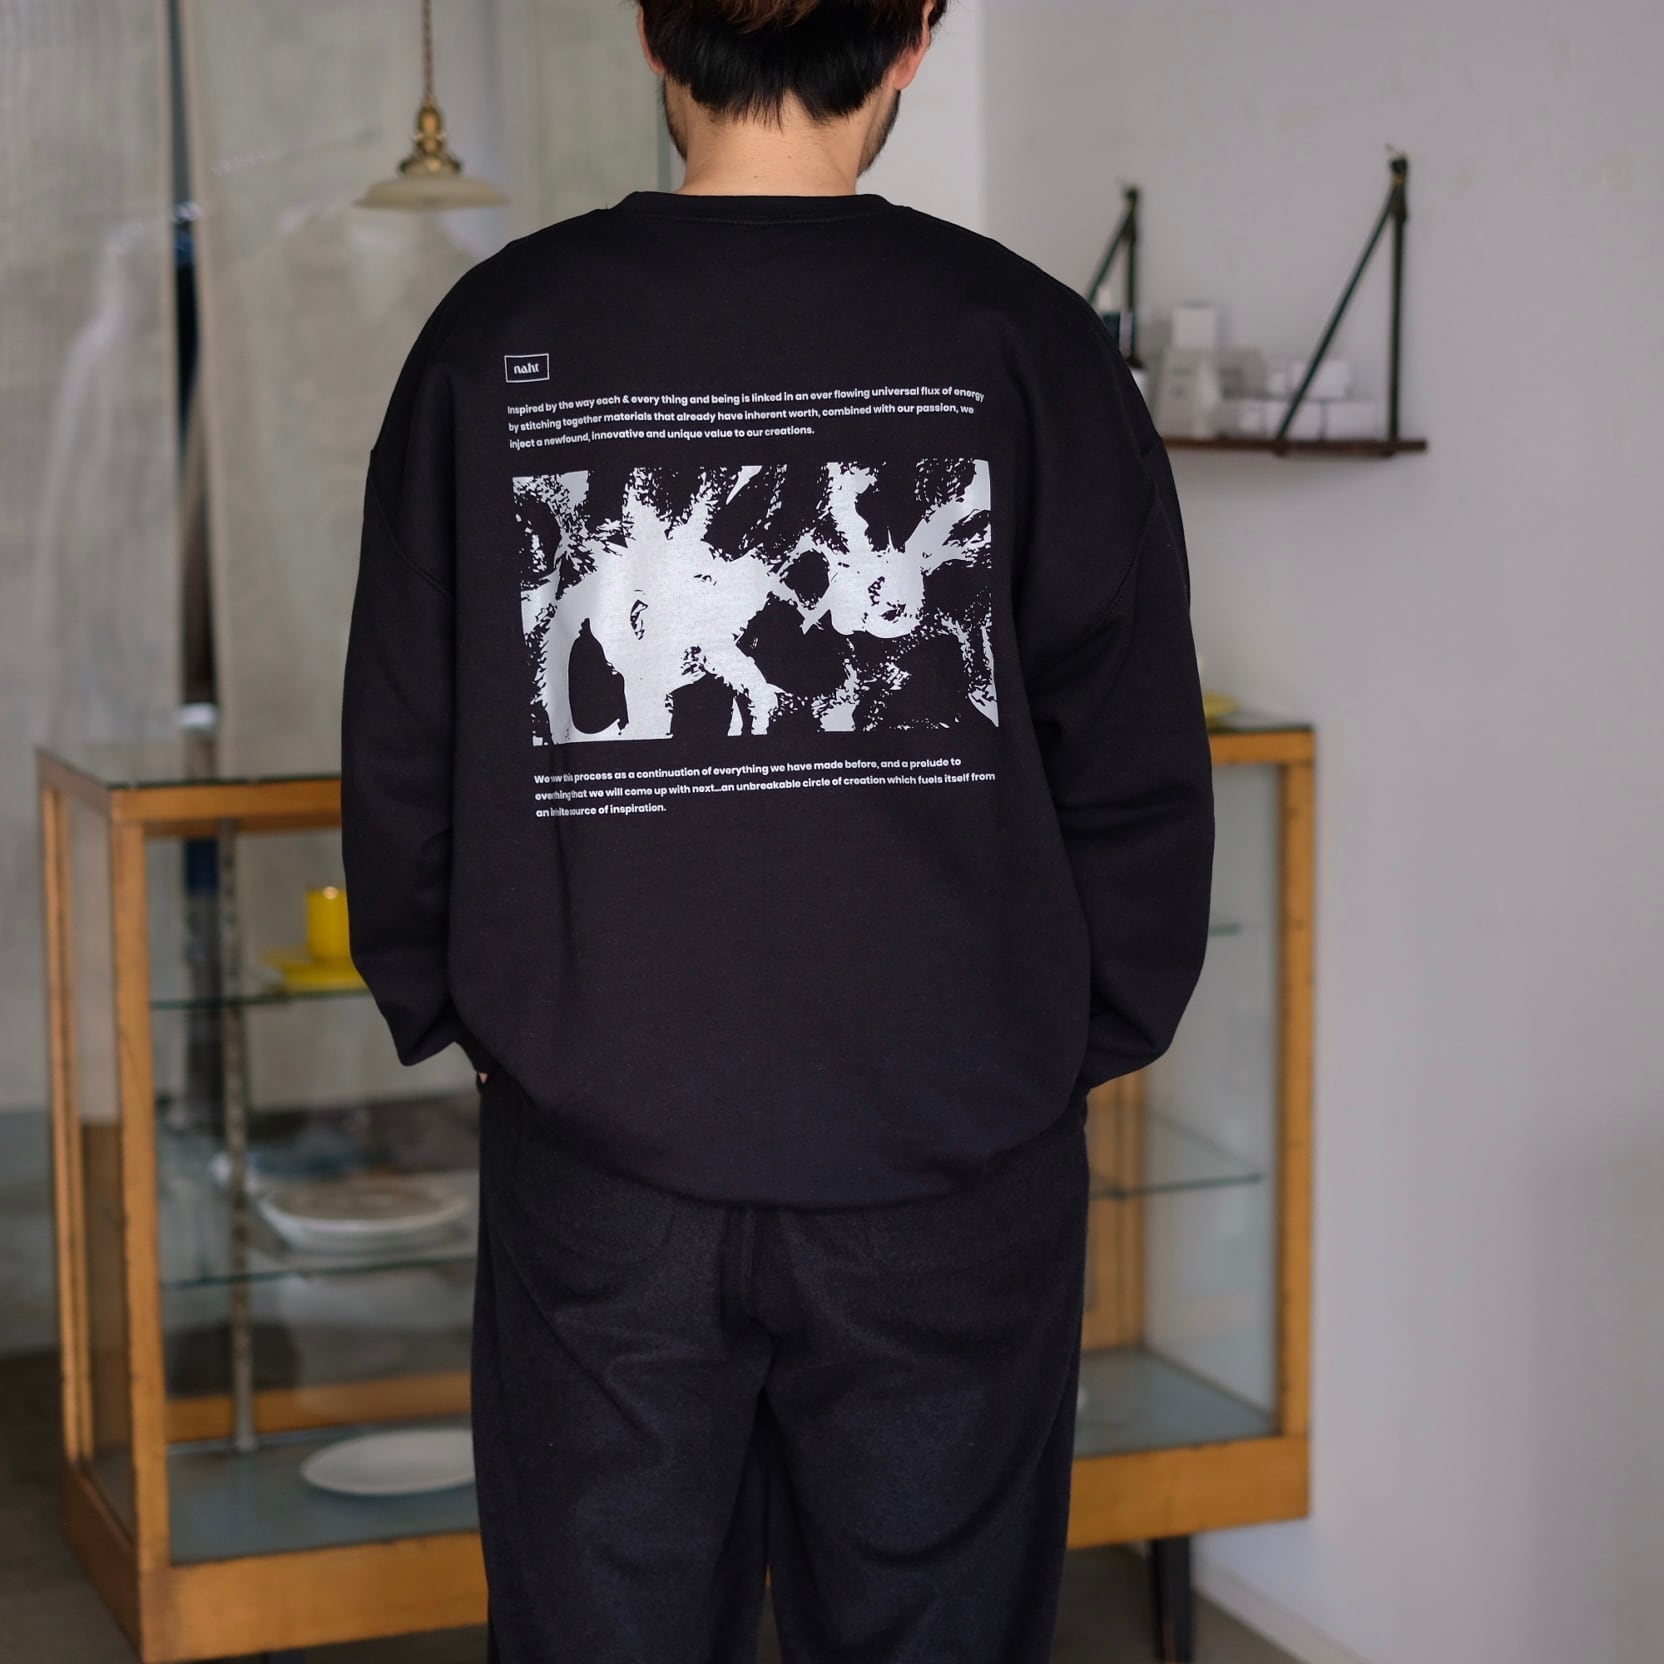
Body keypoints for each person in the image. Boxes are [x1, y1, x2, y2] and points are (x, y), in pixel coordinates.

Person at [340, 0, 1215, 1657]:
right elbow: (1135, 766)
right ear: (914, 40)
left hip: (603, 1159)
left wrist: (493, 1025)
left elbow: (403, 750)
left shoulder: (498, 332)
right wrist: (1048, 1048)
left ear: (651, 34)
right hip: (952, 1151)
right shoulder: (1025, 340)